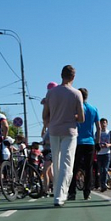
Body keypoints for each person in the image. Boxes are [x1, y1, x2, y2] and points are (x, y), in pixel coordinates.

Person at [42, 65, 85, 207]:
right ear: (73, 77)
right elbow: (81, 118)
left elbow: (45, 115)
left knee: (56, 161)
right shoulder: (76, 93)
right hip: (69, 131)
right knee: (67, 163)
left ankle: (57, 194)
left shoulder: (51, 93)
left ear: (61, 75)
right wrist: (74, 115)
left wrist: (50, 122)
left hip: (54, 131)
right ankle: (60, 195)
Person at [67, 88, 100, 201]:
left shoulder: (76, 109)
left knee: (74, 167)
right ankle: (87, 192)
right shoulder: (93, 109)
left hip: (76, 141)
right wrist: (97, 142)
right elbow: (98, 127)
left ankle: (72, 192)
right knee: (88, 168)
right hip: (90, 142)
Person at [97, 118, 111, 192]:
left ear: (107, 124)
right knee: (101, 170)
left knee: (105, 169)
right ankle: (102, 184)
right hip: (99, 153)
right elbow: (96, 141)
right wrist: (99, 145)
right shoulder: (97, 133)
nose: (103, 124)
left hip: (107, 153)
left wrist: (108, 145)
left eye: (104, 123)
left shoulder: (110, 132)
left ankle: (104, 185)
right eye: (102, 123)